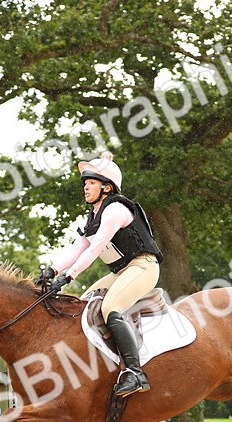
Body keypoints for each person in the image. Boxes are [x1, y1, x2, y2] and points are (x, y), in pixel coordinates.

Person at [37, 152, 164, 397]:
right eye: (85, 183)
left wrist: (70, 276)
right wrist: (52, 270)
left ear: (106, 187)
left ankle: (136, 373)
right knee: (84, 304)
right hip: (123, 271)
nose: (85, 187)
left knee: (110, 307)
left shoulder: (115, 209)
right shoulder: (93, 216)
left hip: (143, 266)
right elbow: (79, 248)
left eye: (91, 183)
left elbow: (96, 248)